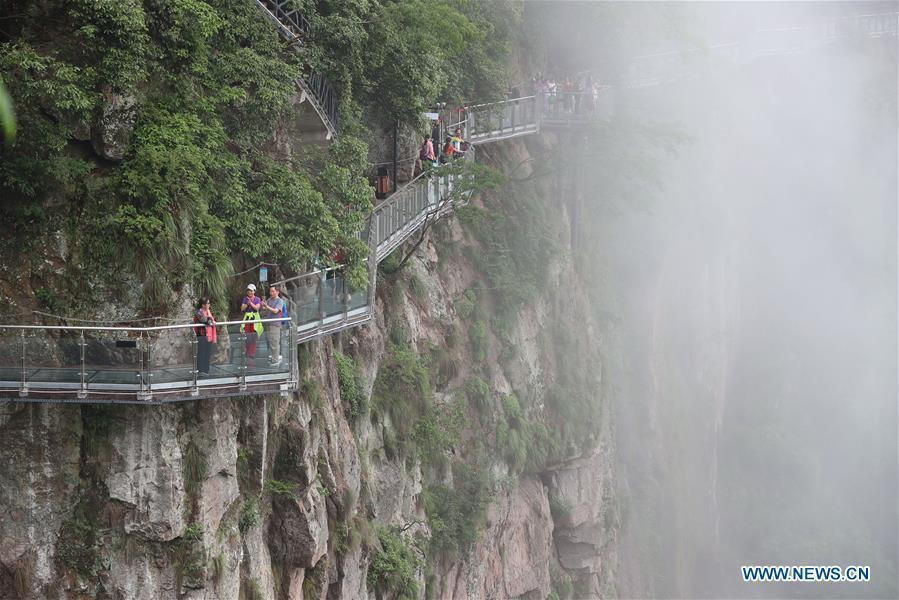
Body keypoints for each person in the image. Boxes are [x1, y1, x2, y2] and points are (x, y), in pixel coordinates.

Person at [261, 285, 285, 365]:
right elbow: (265, 308)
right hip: (269, 323)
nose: (271, 293)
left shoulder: (280, 301)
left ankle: (275, 360)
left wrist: (267, 307)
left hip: (275, 324)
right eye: (270, 291)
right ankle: (273, 356)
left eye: (273, 291)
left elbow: (275, 311)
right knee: (270, 341)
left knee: (274, 341)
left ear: (277, 292)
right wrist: (263, 305)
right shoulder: (269, 299)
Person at [240, 284, 263, 359]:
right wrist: (247, 303)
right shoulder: (245, 299)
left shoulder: (257, 299)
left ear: (254, 291)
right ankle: (247, 352)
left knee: (253, 336)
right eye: (248, 291)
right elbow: (242, 309)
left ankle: (252, 353)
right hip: (247, 320)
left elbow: (257, 308)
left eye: (251, 290)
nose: (249, 292)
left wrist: (251, 303)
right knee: (246, 336)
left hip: (255, 320)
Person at [193, 297, 216, 375]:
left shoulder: (208, 312)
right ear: (203, 305)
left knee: (207, 353)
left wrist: (210, 319)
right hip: (201, 336)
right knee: (201, 353)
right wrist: (210, 320)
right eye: (207, 303)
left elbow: (210, 320)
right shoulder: (199, 312)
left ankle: (206, 371)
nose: (209, 305)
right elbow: (205, 321)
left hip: (208, 336)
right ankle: (200, 371)